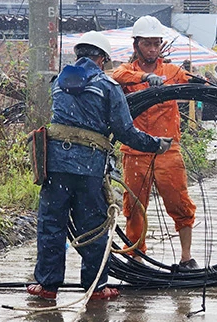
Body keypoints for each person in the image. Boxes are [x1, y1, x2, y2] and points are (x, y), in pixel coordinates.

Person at [28, 31, 172, 301]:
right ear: (103, 58)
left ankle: (46, 285)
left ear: (78, 54)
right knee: (92, 225)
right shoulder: (108, 86)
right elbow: (125, 131)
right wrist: (156, 144)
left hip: (55, 165)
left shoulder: (58, 82)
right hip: (88, 167)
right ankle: (96, 286)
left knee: (52, 224)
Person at [112, 15, 199, 270]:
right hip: (135, 149)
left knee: (179, 202)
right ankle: (136, 257)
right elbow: (116, 74)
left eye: (156, 44)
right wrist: (144, 80)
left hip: (167, 149)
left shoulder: (172, 73)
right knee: (134, 207)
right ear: (136, 45)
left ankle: (186, 257)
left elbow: (194, 83)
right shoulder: (127, 74)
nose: (152, 49)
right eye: (147, 44)